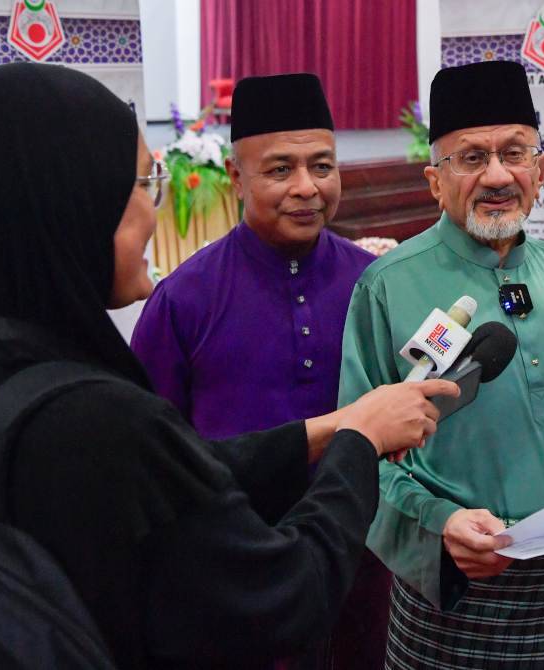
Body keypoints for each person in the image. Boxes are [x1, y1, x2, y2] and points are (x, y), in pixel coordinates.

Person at [0, 62, 458, 670]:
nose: (305, 188)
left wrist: (338, 431)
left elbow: (174, 468)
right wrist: (358, 437)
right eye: (142, 184)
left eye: (322, 166)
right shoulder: (116, 388)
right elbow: (274, 593)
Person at [337, 60, 544, 669]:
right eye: (472, 158)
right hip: (451, 588)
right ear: (435, 181)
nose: (498, 175)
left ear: (542, 169)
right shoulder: (386, 287)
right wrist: (437, 524)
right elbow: (356, 453)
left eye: (515, 153)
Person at [130, 73, 385, 668]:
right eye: (280, 170)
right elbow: (149, 458)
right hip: (236, 579)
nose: (307, 188)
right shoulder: (183, 300)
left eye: (322, 166)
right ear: (236, 177)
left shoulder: (374, 285)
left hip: (361, 564)